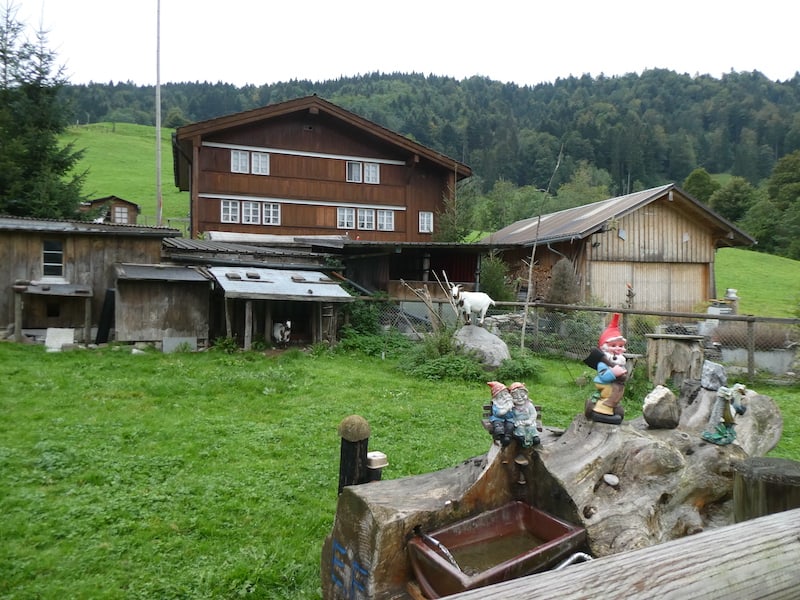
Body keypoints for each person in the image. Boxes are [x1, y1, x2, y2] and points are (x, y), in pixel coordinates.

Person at [584, 313, 628, 424]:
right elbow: (603, 376)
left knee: (616, 392)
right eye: (613, 345)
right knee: (609, 393)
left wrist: (622, 375)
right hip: (604, 384)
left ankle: (612, 408)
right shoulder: (602, 363)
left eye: (620, 345)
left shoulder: (619, 361)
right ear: (605, 347)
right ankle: (601, 410)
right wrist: (614, 372)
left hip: (616, 384)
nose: (617, 348)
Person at [509, 382, 540, 447]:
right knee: (520, 430)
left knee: (531, 429)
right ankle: (522, 441)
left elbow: (533, 414)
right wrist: (515, 422)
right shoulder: (512, 407)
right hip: (519, 423)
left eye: (522, 396)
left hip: (529, 422)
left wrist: (530, 420)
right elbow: (511, 416)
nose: (520, 398)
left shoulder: (529, 405)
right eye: (515, 397)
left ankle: (533, 438)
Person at [487, 381, 515, 446]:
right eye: (500, 397)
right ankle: (499, 435)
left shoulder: (511, 402)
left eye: (506, 394)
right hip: (498, 419)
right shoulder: (497, 405)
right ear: (495, 399)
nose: (504, 398)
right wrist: (507, 409)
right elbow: (498, 413)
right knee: (498, 426)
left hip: (509, 419)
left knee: (510, 426)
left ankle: (507, 437)